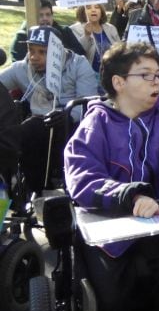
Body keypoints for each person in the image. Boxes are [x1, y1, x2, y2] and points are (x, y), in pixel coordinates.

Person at [64, 41, 159, 311]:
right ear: (118, 82)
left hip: (157, 223)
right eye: (146, 75)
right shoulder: (97, 122)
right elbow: (81, 176)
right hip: (108, 228)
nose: (157, 81)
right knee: (112, 298)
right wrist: (129, 196)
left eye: (158, 75)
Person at [1, 26, 98, 194]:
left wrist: (68, 115)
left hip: (73, 127)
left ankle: (34, 189)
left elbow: (88, 103)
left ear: (57, 51)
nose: (34, 57)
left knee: (28, 130)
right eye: (31, 50)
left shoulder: (78, 64)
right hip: (37, 126)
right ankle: (29, 189)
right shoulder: (21, 68)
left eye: (42, 52)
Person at [10, 0, 85, 61]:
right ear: (31, 17)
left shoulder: (64, 31)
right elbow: (18, 64)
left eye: (48, 14)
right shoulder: (22, 37)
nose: (45, 18)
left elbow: (81, 54)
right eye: (40, 15)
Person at [70, 4, 121, 74]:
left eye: (97, 7)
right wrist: (86, 36)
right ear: (82, 11)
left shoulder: (111, 28)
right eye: (88, 8)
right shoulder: (75, 29)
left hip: (111, 75)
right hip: (88, 76)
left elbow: (121, 50)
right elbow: (77, 53)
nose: (93, 10)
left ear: (101, 11)